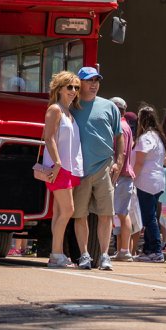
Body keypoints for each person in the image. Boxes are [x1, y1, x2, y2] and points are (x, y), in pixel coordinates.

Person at [70, 65, 121, 270]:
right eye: (89, 80)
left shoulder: (110, 107)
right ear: (79, 83)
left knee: (106, 213)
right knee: (79, 214)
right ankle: (84, 255)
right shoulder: (71, 105)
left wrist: (119, 161)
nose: (94, 84)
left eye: (96, 80)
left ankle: (105, 256)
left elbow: (120, 136)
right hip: (79, 168)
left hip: (104, 167)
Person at [40, 70, 83, 268]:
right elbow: (48, 137)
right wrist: (57, 162)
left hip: (70, 167)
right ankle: (56, 253)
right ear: (59, 89)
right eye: (69, 87)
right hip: (59, 167)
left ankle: (56, 254)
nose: (73, 91)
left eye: (76, 87)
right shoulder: (55, 110)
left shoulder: (69, 112)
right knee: (68, 210)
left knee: (59, 211)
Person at [132, 105, 166, 261]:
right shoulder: (158, 136)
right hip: (157, 180)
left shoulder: (146, 138)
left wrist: (133, 178)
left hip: (146, 181)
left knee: (148, 217)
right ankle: (148, 249)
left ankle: (156, 250)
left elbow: (139, 162)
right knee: (150, 215)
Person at [110, 97, 136, 261]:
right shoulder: (126, 126)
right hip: (125, 175)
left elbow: (121, 154)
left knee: (116, 214)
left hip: (120, 176)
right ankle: (124, 250)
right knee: (122, 213)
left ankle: (123, 250)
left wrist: (114, 177)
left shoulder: (120, 127)